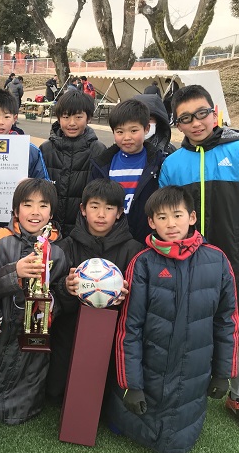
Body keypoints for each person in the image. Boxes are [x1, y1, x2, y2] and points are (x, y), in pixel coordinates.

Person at [160, 84, 239, 438]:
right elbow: (168, 216)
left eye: (201, 114)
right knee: (190, 330)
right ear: (177, 124)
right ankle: (192, 390)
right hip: (192, 266)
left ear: (215, 112)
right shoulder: (172, 163)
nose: (195, 123)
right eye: (185, 118)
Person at [107, 186, 239, 453]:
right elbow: (128, 328)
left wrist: (224, 372)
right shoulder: (142, 263)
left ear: (191, 217)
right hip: (150, 369)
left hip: (195, 370)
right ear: (152, 222)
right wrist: (131, 384)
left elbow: (227, 322)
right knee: (139, 421)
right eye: (162, 217)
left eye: (177, 215)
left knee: (179, 439)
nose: (170, 224)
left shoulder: (217, 260)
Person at [0, 179, 69, 424]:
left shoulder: (58, 250)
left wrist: (53, 303)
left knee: (31, 367)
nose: (35, 212)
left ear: (51, 212)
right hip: (2, 326)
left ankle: (26, 410)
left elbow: (60, 292)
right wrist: (14, 272)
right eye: (27, 204)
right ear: (15, 209)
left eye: (43, 205)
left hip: (36, 329)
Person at [48, 179, 142, 401]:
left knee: (106, 398)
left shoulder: (134, 250)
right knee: (55, 394)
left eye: (109, 208)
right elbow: (50, 292)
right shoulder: (65, 246)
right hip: (70, 329)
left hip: (111, 333)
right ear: (83, 209)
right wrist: (65, 287)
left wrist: (127, 295)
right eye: (94, 206)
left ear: (119, 213)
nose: (101, 214)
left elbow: (140, 300)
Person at [90, 98, 166, 244]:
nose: (127, 137)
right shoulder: (103, 164)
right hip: (109, 239)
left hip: (145, 238)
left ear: (147, 129)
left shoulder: (158, 163)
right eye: (120, 131)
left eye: (134, 130)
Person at [39, 89, 105, 236]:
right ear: (58, 118)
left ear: (88, 118)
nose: (72, 123)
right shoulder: (46, 149)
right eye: (66, 117)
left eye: (78, 117)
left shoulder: (98, 150)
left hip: (84, 230)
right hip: (49, 229)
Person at [0, 89, 49, 180]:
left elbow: (43, 183)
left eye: (7, 117)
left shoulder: (30, 150)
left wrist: (31, 184)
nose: (0, 122)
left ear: (15, 118)